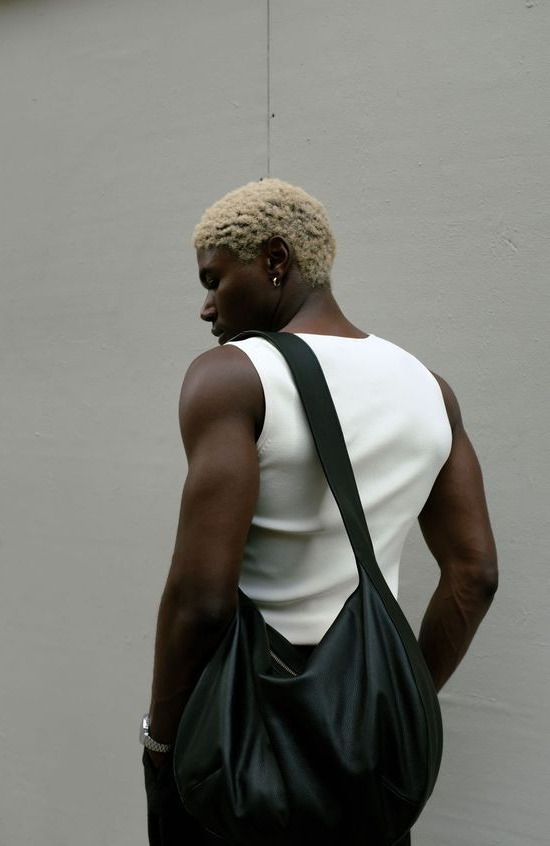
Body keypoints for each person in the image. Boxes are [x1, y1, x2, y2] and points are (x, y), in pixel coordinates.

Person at [141, 178, 498, 845]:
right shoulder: (430, 389)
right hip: (367, 758)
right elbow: (474, 576)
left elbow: (203, 601)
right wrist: (400, 698)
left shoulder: (232, 375)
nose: (206, 307)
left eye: (215, 280)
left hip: (245, 757)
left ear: (275, 260)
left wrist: (160, 742)